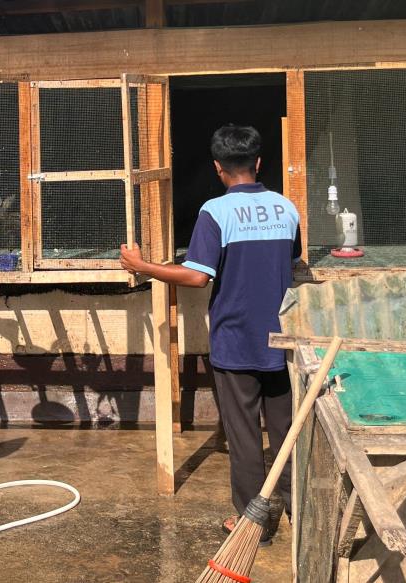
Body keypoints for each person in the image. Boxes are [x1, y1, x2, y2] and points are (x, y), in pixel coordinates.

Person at [120, 125, 301, 543]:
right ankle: (300, 511)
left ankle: (253, 524)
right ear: (258, 163)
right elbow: (290, 262)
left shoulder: (215, 212)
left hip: (236, 340)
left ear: (218, 168)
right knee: (287, 431)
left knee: (244, 435)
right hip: (283, 337)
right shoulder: (286, 208)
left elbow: (197, 276)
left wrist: (142, 266)